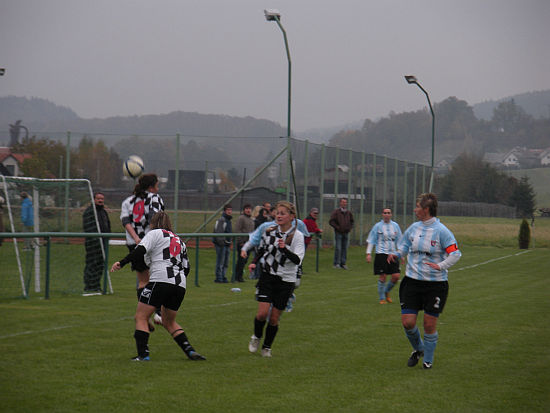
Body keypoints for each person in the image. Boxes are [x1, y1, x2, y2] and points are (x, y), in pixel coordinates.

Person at [110, 211, 205, 362]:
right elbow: (186, 268)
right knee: (169, 322)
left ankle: (143, 355)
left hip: (160, 280)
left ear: (152, 223)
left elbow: (140, 250)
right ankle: (190, 351)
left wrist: (121, 263)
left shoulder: (155, 233)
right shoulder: (179, 240)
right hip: (180, 285)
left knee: (141, 317)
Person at [388, 193, 461, 370]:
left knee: (429, 324)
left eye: (418, 207)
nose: (415, 210)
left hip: (435, 285)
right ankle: (419, 348)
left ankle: (427, 360)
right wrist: (397, 254)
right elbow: (404, 245)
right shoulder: (414, 228)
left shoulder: (442, 231)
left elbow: (455, 254)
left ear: (426, 209)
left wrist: (441, 266)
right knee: (408, 322)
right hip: (412, 282)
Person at [240, 201, 305, 357]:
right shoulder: (269, 231)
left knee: (274, 318)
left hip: (286, 280)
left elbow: (297, 260)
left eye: (283, 213)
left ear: (292, 216)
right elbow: (263, 250)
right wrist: (254, 262)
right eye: (277, 213)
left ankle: (267, 347)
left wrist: (284, 249)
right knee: (262, 314)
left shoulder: (297, 236)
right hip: (268, 276)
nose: (279, 216)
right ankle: (256, 336)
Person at [120, 173, 165, 326]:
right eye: (157, 185)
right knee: (158, 279)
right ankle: (158, 313)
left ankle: (143, 315)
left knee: (143, 281)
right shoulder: (154, 198)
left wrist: (135, 238)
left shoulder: (128, 201)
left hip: (134, 244)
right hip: (150, 243)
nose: (158, 188)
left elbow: (125, 222)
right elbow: (155, 219)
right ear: (151, 187)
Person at [366, 208, 402, 304]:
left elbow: (399, 240)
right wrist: (368, 253)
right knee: (383, 276)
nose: (387, 214)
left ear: (391, 214)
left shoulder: (395, 226)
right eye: (385, 213)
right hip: (381, 254)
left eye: (388, 213)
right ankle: (382, 298)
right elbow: (371, 240)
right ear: (382, 214)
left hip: (393, 254)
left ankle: (386, 291)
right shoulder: (377, 226)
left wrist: (401, 253)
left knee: (396, 276)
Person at [82, 192, 111, 294]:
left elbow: (107, 225)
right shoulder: (89, 212)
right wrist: (95, 238)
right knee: (92, 263)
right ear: (93, 199)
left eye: (102, 199)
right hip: (93, 243)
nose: (100, 200)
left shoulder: (103, 212)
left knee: (100, 265)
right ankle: (89, 286)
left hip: (103, 242)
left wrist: (107, 237)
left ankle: (97, 285)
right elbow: (87, 227)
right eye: (98, 199)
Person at [329, 198, 354, 270]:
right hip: (338, 233)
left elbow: (352, 221)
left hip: (346, 233)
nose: (344, 204)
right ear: (340, 203)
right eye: (343, 202)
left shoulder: (348, 213)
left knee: (344, 248)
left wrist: (349, 228)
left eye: (345, 202)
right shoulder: (336, 212)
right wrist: (338, 227)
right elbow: (331, 221)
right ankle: (336, 263)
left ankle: (343, 263)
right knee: (338, 248)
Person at [234, 204, 254, 282]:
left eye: (249, 208)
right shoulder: (241, 218)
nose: (248, 210)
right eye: (247, 209)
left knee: (244, 261)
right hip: (242, 243)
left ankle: (240, 276)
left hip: (249, 243)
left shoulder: (251, 219)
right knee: (241, 260)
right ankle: (237, 277)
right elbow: (237, 230)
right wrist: (240, 241)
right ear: (244, 210)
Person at [213, 204, 232, 283]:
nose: (229, 211)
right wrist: (222, 243)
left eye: (230, 210)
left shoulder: (229, 220)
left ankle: (223, 276)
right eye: (228, 210)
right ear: (224, 211)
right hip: (221, 245)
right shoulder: (222, 220)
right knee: (220, 261)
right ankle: (219, 277)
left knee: (226, 262)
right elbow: (219, 232)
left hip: (227, 244)